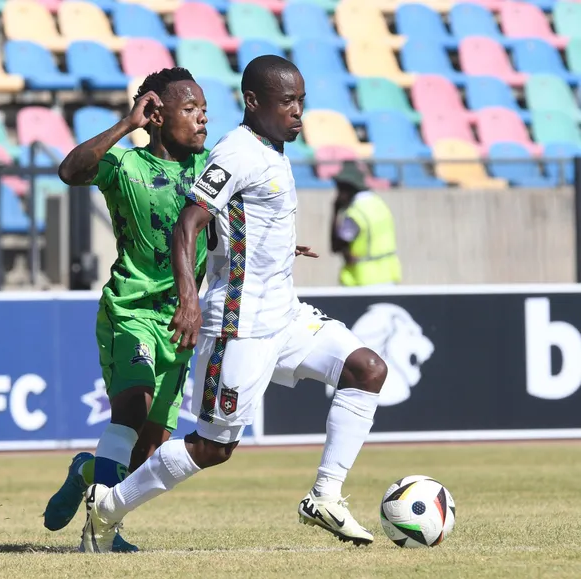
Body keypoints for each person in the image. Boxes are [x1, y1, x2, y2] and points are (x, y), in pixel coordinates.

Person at [79, 55, 388, 553]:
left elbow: (237, 223)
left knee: (366, 370)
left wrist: (279, 247)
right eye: (287, 102)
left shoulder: (271, 149)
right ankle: (108, 507)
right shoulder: (237, 152)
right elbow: (188, 223)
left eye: (301, 101)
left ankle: (325, 496)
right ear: (253, 102)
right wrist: (189, 300)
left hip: (285, 315)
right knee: (212, 447)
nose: (298, 112)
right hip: (239, 324)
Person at [44, 67, 210, 552]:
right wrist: (125, 124)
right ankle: (104, 532)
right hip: (131, 309)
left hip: (180, 320)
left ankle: (86, 471)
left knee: (148, 451)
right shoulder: (124, 164)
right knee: (132, 407)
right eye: (190, 109)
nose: (202, 118)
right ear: (157, 116)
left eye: (205, 110)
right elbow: (70, 171)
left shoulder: (210, 169)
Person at [330, 161, 401, 287]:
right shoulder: (379, 203)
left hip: (363, 280)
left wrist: (335, 211)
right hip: (389, 276)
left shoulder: (355, 213)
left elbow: (336, 246)